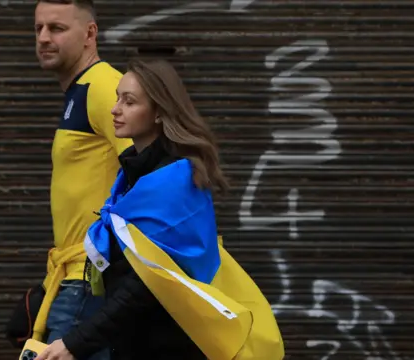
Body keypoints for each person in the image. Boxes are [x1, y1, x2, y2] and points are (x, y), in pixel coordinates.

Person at [36, 58, 285, 360]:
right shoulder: (132, 174)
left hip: (169, 343)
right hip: (134, 340)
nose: (115, 109)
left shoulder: (172, 182)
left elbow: (145, 284)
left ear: (158, 112)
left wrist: (76, 343)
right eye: (117, 98)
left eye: (129, 102)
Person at [30, 0, 132, 358]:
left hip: (89, 277)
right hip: (72, 275)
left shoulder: (104, 86)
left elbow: (147, 169)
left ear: (90, 33)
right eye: (39, 28)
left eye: (57, 28)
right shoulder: (79, 89)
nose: (44, 38)